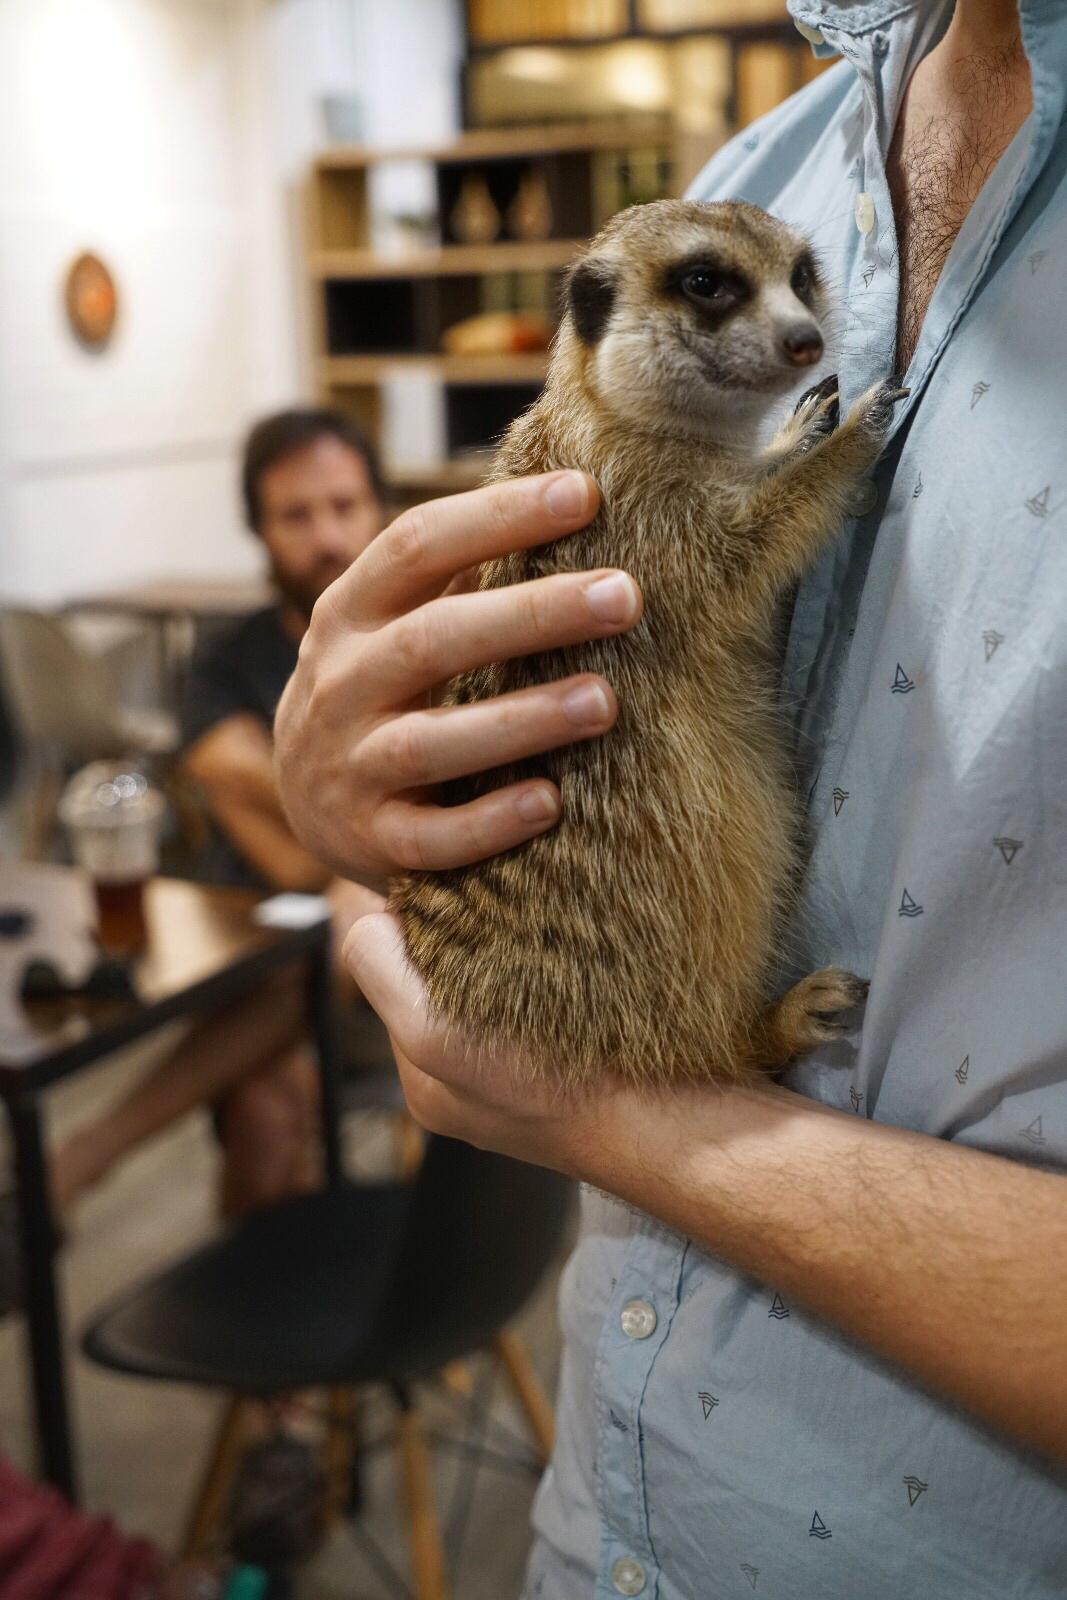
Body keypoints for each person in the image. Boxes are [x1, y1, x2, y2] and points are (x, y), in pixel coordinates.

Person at [273, 1, 1067, 1595]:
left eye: (785, 299)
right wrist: (356, 786)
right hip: (599, 1520)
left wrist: (616, 1115)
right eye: (720, 293)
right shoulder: (782, 155)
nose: (781, 327)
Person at [47, 409, 387, 1228]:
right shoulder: (226, 656)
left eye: (344, 506)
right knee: (270, 1105)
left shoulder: (413, 642)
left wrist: (295, 816)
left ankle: (77, 1161)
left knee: (346, 916)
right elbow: (292, 845)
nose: (326, 536)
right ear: (259, 530)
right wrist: (360, 813)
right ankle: (267, 1341)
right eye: (295, 515)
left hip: (389, 974)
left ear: (379, 507)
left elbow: (268, 798)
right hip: (250, 955)